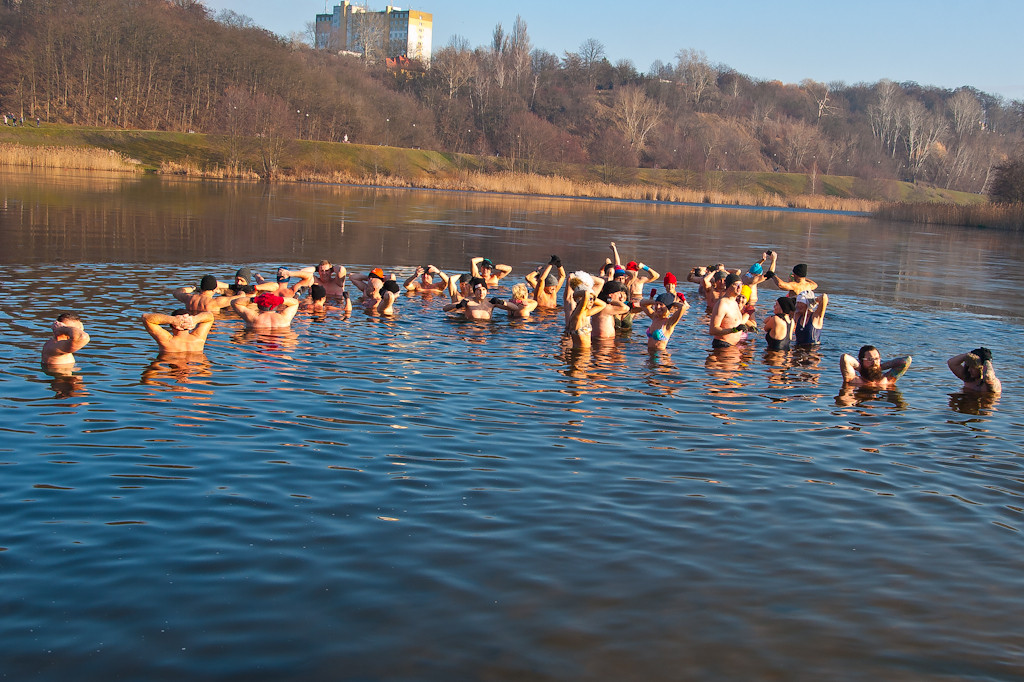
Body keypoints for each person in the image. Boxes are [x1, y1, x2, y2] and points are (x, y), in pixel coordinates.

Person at [708, 274, 755, 348]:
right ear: (728, 286)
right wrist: (733, 330)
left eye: (740, 285)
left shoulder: (734, 302)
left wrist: (747, 328)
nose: (739, 287)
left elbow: (732, 323)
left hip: (733, 346)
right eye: (735, 285)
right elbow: (712, 330)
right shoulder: (722, 304)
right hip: (723, 345)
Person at [141, 310, 215, 353]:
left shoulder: (167, 341)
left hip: (170, 367)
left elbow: (146, 318)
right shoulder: (198, 339)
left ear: (172, 325)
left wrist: (173, 320)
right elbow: (210, 316)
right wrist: (195, 319)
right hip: (195, 368)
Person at [840, 345, 912, 387]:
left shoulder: (887, 380)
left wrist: (880, 367)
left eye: (877, 359)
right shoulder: (854, 380)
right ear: (861, 361)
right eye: (870, 359)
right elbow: (845, 358)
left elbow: (906, 361)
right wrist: (860, 368)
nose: (874, 362)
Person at [174, 274, 243, 313]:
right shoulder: (215, 302)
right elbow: (241, 296)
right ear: (215, 289)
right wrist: (240, 290)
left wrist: (193, 288)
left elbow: (176, 292)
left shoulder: (189, 298)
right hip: (212, 325)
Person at [231, 292, 300, 329]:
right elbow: (295, 303)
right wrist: (280, 299)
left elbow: (234, 303)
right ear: (276, 304)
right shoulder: (284, 317)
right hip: (281, 343)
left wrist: (254, 299)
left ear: (258, 305)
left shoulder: (254, 318)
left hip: (256, 343)